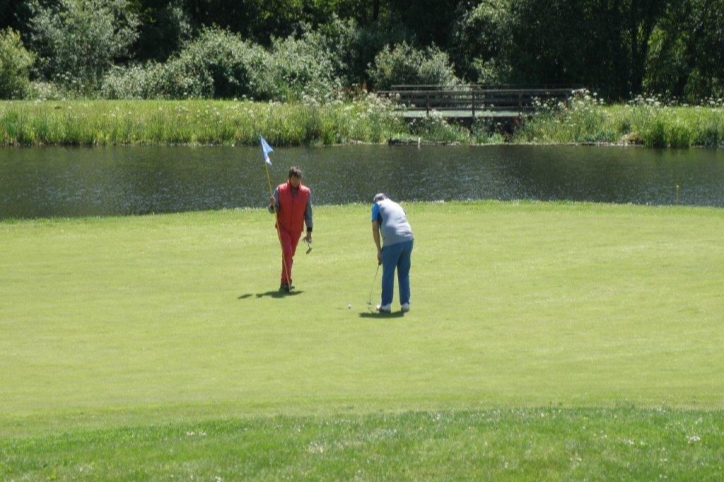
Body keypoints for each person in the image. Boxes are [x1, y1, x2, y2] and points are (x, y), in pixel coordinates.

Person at [269, 166, 313, 292]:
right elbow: (272, 210)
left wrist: (309, 232)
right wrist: (273, 205)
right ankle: (287, 282)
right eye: (293, 178)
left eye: (298, 179)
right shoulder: (280, 189)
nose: (295, 181)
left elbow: (308, 213)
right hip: (282, 227)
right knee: (287, 252)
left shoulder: (306, 192)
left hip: (296, 229)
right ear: (289, 178)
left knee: (289, 255)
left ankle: (284, 281)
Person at [371, 193, 414, 313]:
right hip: (408, 238)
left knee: (388, 273)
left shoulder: (376, 206)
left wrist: (379, 250)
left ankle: (386, 305)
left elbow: (375, 228)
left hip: (392, 240)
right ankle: (405, 304)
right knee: (404, 272)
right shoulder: (396, 204)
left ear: (376, 200)